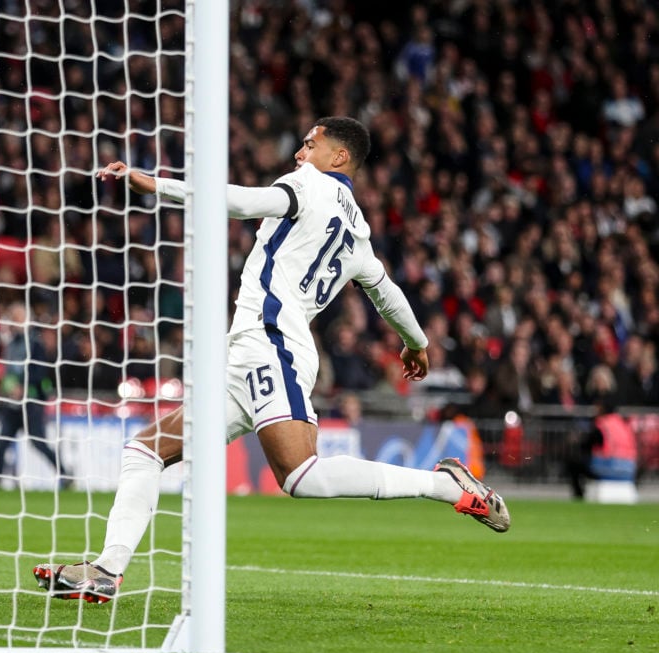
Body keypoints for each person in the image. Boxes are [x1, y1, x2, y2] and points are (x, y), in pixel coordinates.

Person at [33, 117, 510, 603]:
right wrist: (417, 342)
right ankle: (107, 570)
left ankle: (444, 484)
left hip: (273, 343)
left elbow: (240, 201)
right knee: (145, 451)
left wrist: (156, 183)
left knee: (301, 476)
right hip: (246, 352)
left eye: (310, 144)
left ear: (338, 157)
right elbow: (387, 294)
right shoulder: (358, 233)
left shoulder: (309, 184)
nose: (300, 153)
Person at [0, 302, 70, 487]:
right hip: (12, 404)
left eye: (19, 318)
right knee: (2, 442)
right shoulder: (11, 345)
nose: (16, 322)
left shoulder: (35, 345)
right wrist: (8, 387)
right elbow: (8, 372)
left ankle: (65, 474)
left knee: (39, 443)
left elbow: (40, 373)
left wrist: (22, 386)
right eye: (14, 318)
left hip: (31, 403)